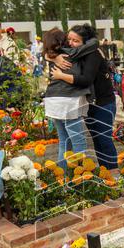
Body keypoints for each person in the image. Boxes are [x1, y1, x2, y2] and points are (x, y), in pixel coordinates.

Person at [51, 23, 119, 171]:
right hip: (89, 104)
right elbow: (50, 50)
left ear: (85, 42)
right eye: (69, 39)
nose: (71, 43)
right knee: (96, 141)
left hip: (103, 103)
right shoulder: (75, 53)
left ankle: (114, 173)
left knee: (104, 141)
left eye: (76, 40)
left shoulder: (92, 54)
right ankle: (105, 173)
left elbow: (86, 80)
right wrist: (53, 58)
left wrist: (61, 76)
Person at [42, 28, 89, 169]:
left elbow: (44, 53)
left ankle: (62, 176)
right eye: (68, 39)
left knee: (64, 141)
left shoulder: (53, 56)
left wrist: (51, 56)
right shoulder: (72, 55)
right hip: (67, 100)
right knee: (79, 141)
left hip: (53, 100)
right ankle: (82, 176)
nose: (70, 41)